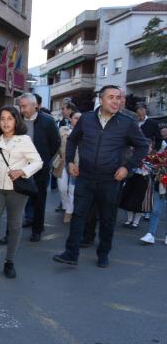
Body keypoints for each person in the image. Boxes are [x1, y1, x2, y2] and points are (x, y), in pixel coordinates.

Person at [53, 85, 149, 268]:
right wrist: (71, 162)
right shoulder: (86, 119)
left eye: (119, 97)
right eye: (111, 97)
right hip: (85, 177)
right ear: (101, 99)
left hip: (110, 179)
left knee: (107, 218)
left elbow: (143, 146)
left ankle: (103, 253)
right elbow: (73, 140)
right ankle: (71, 253)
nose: (116, 101)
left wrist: (127, 168)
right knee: (78, 215)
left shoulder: (127, 123)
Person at [0, 106, 43, 279]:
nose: (5, 122)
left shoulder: (24, 140)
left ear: (16, 120)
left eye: (9, 118)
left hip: (16, 189)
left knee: (14, 226)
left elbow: (38, 162)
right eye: (2, 118)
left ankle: (9, 262)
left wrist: (22, 172)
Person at [17, 92, 60, 242]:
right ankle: (13, 231)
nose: (22, 110)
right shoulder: (18, 121)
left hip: (40, 168)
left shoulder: (47, 121)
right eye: (20, 106)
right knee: (15, 199)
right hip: (20, 167)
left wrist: (45, 158)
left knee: (39, 199)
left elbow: (55, 143)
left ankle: (37, 229)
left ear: (35, 105)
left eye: (24, 106)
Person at [119, 140, 153, 229]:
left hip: (144, 180)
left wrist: (145, 164)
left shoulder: (153, 158)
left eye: (150, 147)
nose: (149, 148)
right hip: (133, 178)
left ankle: (136, 222)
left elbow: (153, 169)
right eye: (148, 146)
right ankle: (129, 220)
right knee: (128, 198)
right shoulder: (135, 155)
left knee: (140, 201)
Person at [54, 111, 81, 223]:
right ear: (70, 119)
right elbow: (56, 144)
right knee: (62, 188)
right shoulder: (62, 130)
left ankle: (68, 212)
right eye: (75, 118)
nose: (78, 120)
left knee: (72, 190)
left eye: (80, 118)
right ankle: (65, 206)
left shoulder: (86, 132)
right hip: (62, 162)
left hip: (77, 164)